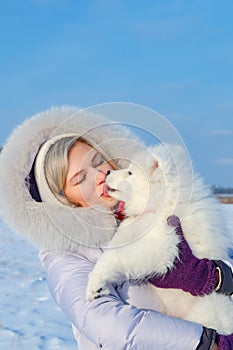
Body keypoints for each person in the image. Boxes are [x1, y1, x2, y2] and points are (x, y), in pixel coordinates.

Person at [0, 105, 232, 350]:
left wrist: (211, 276)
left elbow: (219, 253)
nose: (102, 173)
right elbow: (104, 322)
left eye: (99, 160)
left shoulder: (154, 208)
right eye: (80, 178)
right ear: (64, 201)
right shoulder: (65, 255)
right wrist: (206, 342)